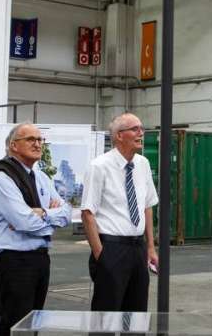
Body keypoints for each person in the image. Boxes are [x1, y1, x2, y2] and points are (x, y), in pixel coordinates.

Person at [0, 123, 69, 333]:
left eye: (40, 140)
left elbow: (67, 213)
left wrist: (45, 213)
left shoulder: (41, 177)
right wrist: (49, 222)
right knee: (15, 323)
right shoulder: (2, 177)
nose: (37, 144)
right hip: (14, 260)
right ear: (14, 146)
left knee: (34, 323)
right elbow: (24, 222)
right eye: (30, 139)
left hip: (40, 257)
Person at [81, 112, 159, 312]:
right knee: (105, 314)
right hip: (111, 247)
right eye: (135, 129)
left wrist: (150, 247)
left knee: (136, 313)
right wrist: (101, 254)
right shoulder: (99, 166)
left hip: (137, 248)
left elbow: (147, 206)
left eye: (141, 128)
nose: (141, 133)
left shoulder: (143, 164)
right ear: (118, 136)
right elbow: (87, 213)